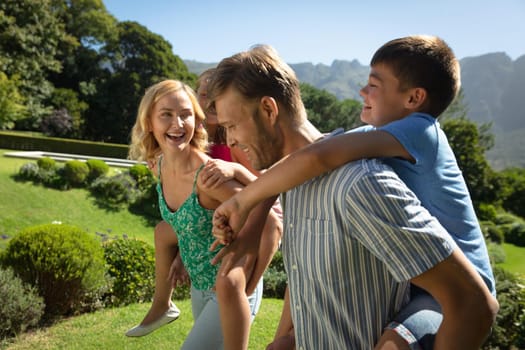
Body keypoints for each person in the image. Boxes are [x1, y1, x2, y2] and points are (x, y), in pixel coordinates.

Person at [211, 35, 497, 349]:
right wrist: (286, 338)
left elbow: (473, 303)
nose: (229, 140)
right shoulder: (298, 176)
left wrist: (242, 200)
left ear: (268, 109)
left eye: (232, 125)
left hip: (457, 285)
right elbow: (311, 158)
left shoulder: (361, 180)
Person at [127, 79, 281, 349]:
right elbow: (186, 222)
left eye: (186, 114)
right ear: (149, 122)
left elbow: (270, 220)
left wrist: (247, 286)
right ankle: (162, 305)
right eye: (166, 115)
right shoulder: (160, 166)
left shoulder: (208, 178)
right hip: (200, 286)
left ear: (197, 121)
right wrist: (180, 255)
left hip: (230, 290)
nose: (178, 124)